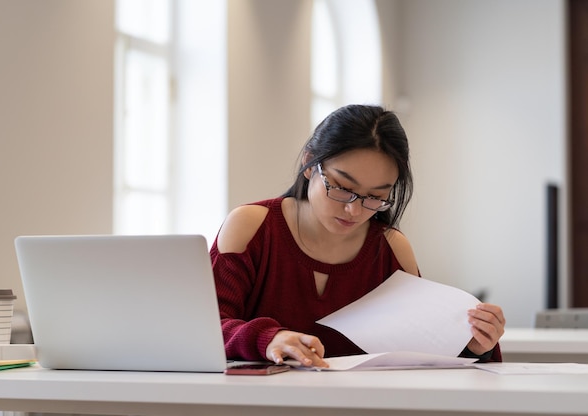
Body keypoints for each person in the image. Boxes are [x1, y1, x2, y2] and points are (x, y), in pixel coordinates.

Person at [210, 104, 505, 368]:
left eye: (375, 197)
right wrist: (267, 340)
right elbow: (205, 328)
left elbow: (421, 353)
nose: (353, 210)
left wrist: (473, 346)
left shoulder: (391, 248)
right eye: (340, 187)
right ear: (310, 164)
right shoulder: (252, 226)